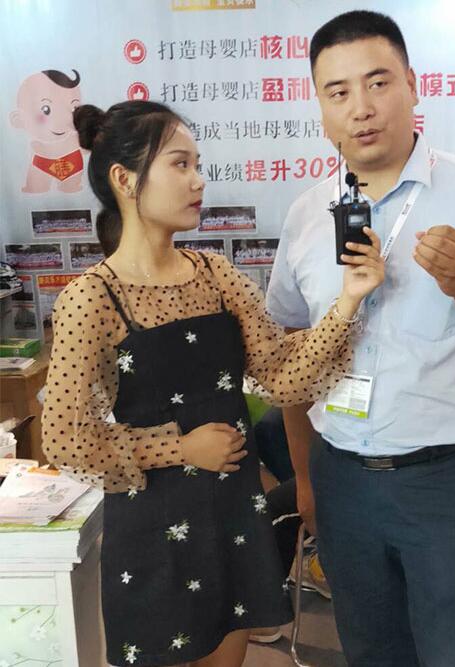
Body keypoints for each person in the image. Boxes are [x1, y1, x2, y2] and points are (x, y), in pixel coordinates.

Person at [266, 10, 455, 667]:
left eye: (378, 82)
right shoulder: (306, 216)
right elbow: (291, 355)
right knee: (370, 651)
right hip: (340, 479)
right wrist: (305, 479)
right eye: (338, 92)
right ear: (320, 108)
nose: (361, 107)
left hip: (446, 479)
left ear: (411, 84)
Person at [41, 99, 384, 667]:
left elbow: (281, 374)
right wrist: (180, 447)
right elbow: (65, 438)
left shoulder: (217, 275)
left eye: (198, 164)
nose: (199, 180)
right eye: (180, 164)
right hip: (152, 527)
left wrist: (348, 301)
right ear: (125, 180)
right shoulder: (91, 299)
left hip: (230, 516)